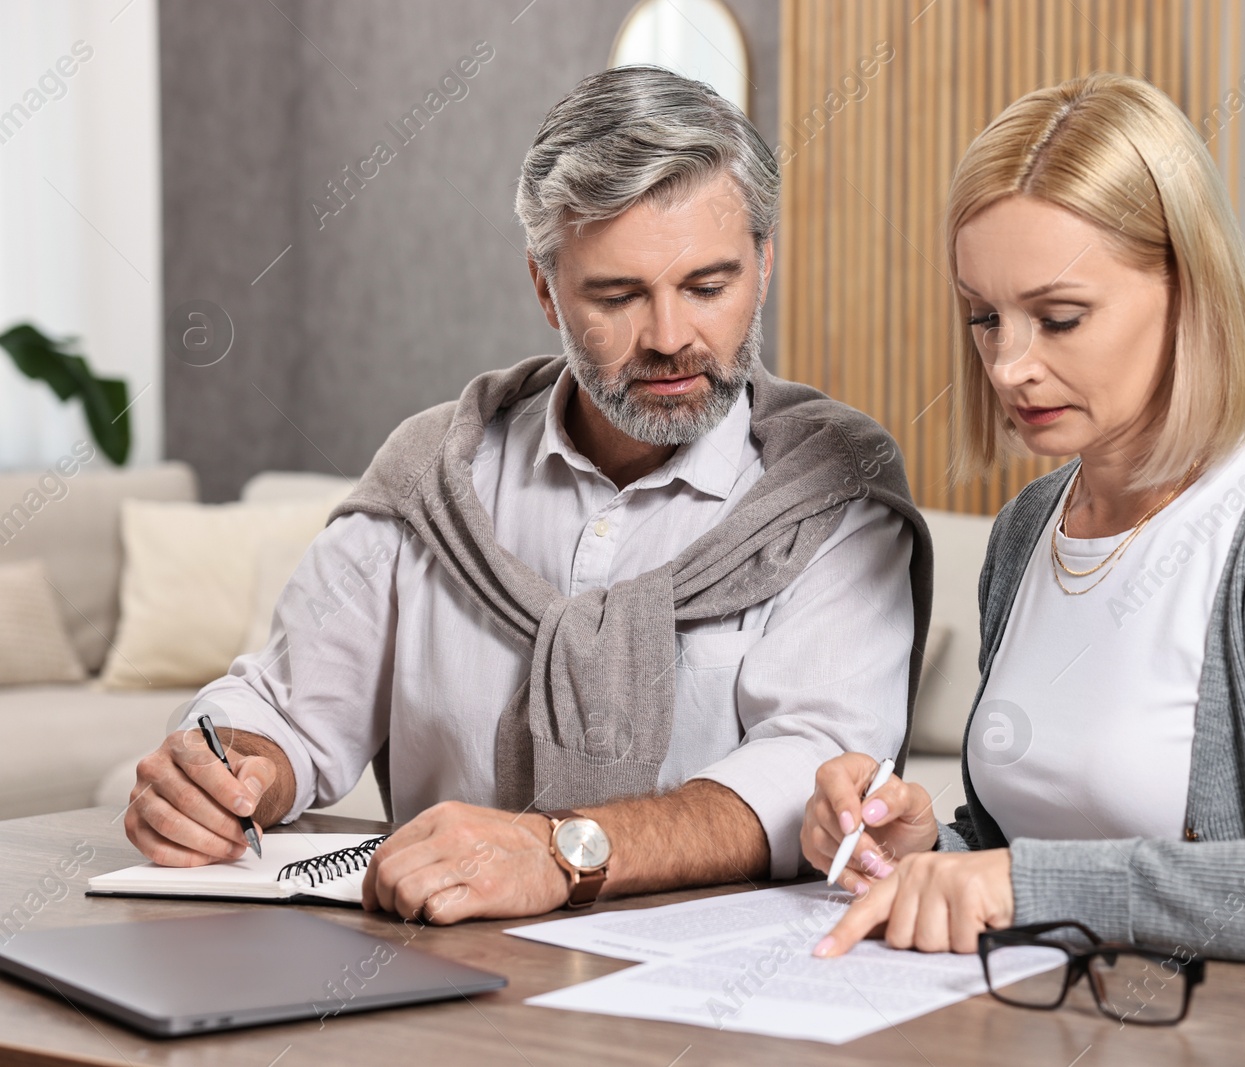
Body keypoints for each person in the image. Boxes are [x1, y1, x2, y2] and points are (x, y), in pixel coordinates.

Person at [125, 66, 934, 924]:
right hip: (434, 967)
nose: (669, 338)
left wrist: (561, 851)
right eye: (617, 296)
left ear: (763, 266)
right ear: (545, 287)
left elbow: (814, 765)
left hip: (718, 995)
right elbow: (286, 709)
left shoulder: (833, 488)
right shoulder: (435, 474)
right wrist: (227, 771)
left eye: (708, 286)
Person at [802, 73, 1245, 972]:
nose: (1009, 366)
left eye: (1059, 317)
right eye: (985, 317)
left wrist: (1028, 885)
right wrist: (931, 856)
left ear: (1188, 289)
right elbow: (1035, 839)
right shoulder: (1025, 533)